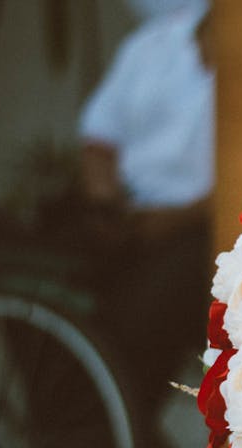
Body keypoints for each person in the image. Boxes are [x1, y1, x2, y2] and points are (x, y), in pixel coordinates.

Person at [76, 0, 214, 415]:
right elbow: (99, 140)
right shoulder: (146, 47)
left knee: (134, 327)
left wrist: (177, 220)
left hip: (198, 226)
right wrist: (103, 202)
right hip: (126, 214)